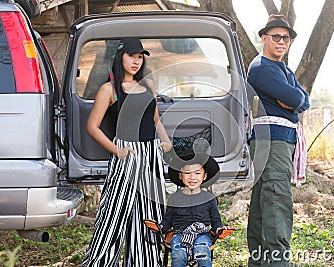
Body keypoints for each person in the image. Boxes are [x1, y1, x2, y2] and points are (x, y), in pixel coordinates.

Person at [82, 37, 172, 267]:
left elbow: (155, 120)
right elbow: (92, 126)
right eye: (131, 56)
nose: (136, 61)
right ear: (120, 57)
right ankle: (101, 262)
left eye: (140, 57)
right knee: (114, 213)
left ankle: (145, 262)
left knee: (150, 212)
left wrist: (165, 142)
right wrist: (117, 150)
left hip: (151, 155)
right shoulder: (109, 89)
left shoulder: (148, 85)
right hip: (127, 154)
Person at [246, 14, 310, 266]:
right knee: (275, 202)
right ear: (264, 38)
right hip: (271, 143)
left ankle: (261, 263)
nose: (281, 41)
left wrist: (292, 102)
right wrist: (292, 102)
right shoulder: (262, 67)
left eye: (286, 38)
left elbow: (301, 99)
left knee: (265, 204)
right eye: (276, 36)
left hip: (277, 141)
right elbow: (295, 100)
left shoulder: (282, 69)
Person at [160, 150, 229, 267]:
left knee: (202, 250)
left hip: (203, 234)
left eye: (197, 173)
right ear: (180, 176)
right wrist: (161, 227)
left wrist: (219, 229)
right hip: (179, 234)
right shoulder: (174, 198)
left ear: (205, 176)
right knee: (178, 254)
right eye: (187, 173)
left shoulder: (209, 198)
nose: (192, 177)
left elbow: (216, 220)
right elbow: (168, 219)